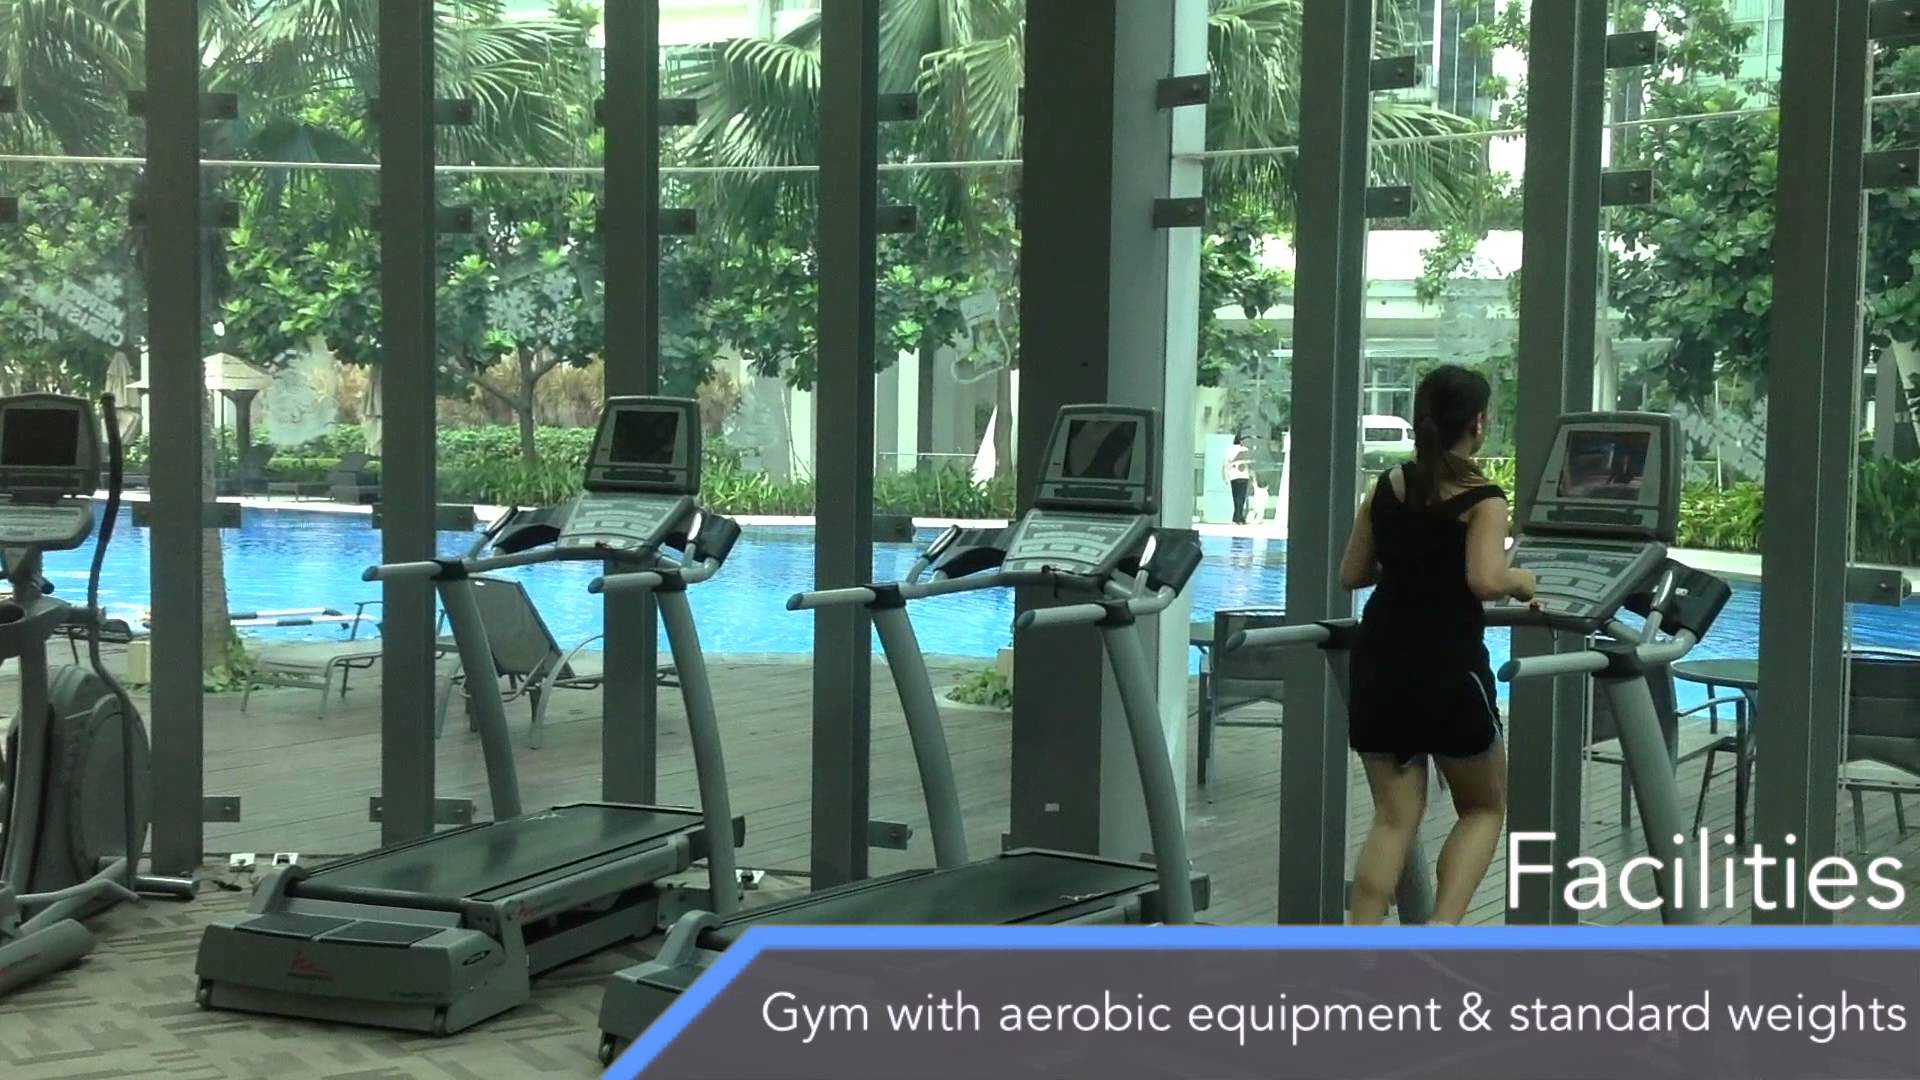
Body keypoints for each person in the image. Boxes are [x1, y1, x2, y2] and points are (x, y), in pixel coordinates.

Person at [1336, 365, 1536, 926]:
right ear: (1478, 422)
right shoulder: (1484, 497)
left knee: (1393, 818)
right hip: (1447, 668)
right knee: (1483, 807)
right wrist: (1523, 581)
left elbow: (1352, 573)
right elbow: (1486, 580)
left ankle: (1356, 948)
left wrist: (1411, 565)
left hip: (1379, 662)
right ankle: (1439, 932)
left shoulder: (1389, 485)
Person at [1223, 433, 1253, 525]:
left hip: (1234, 475)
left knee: (1236, 497)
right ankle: (1238, 518)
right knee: (1242, 497)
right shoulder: (1246, 450)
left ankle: (1237, 517)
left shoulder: (1229, 450)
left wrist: (1226, 476)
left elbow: (1226, 464)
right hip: (1244, 475)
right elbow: (1250, 463)